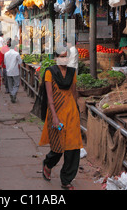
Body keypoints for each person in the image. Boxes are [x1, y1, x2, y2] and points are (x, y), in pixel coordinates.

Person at [39, 48, 82, 190]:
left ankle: (66, 180)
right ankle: (48, 164)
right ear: (56, 58)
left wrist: (76, 112)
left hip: (71, 113)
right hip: (55, 113)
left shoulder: (72, 72)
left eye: (66, 57)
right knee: (58, 148)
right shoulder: (50, 72)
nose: (64, 59)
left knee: (73, 147)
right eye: (61, 57)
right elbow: (50, 98)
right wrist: (55, 118)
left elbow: (74, 93)